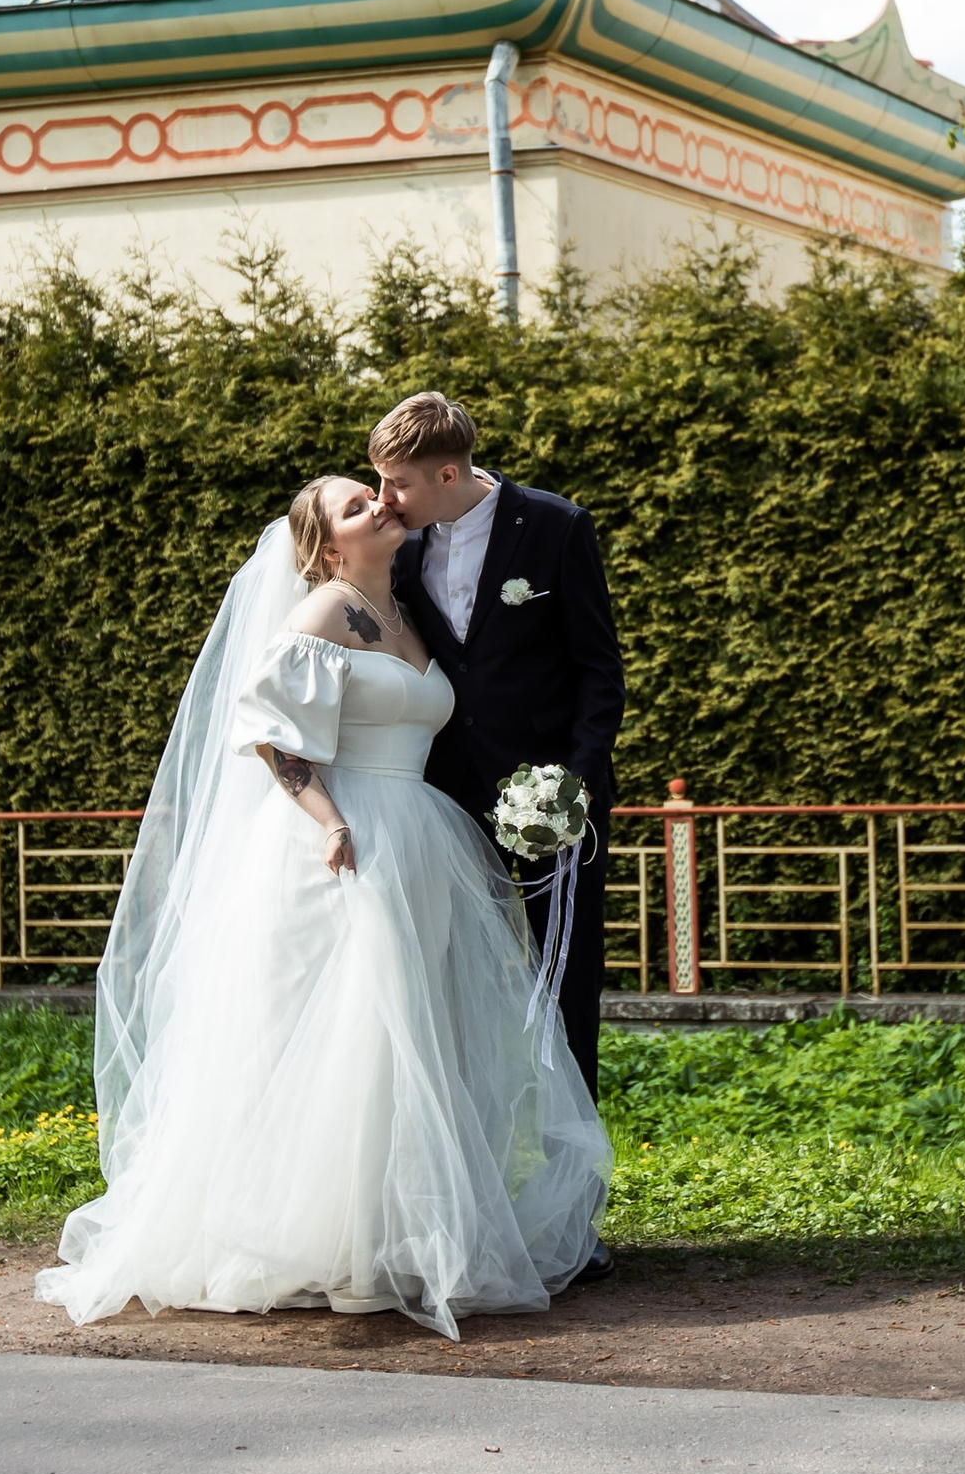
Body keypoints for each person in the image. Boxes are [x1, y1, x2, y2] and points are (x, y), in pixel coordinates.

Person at [35, 476, 610, 1343]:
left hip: (423, 836)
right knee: (355, 1037)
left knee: (414, 1037)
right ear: (324, 547)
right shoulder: (322, 616)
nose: (380, 506)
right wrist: (330, 820)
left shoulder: (406, 610)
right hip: (348, 844)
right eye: (355, 506)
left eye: (376, 496)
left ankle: (388, 1234)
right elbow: (269, 731)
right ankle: (334, 1249)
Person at [369, 391, 625, 1103]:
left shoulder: (555, 526)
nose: (384, 498)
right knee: (447, 983)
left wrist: (575, 785)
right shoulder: (399, 542)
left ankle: (574, 1191)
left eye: (399, 483)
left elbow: (600, 672)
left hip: (551, 804)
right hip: (442, 804)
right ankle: (470, 1176)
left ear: (447, 476)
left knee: (566, 984)